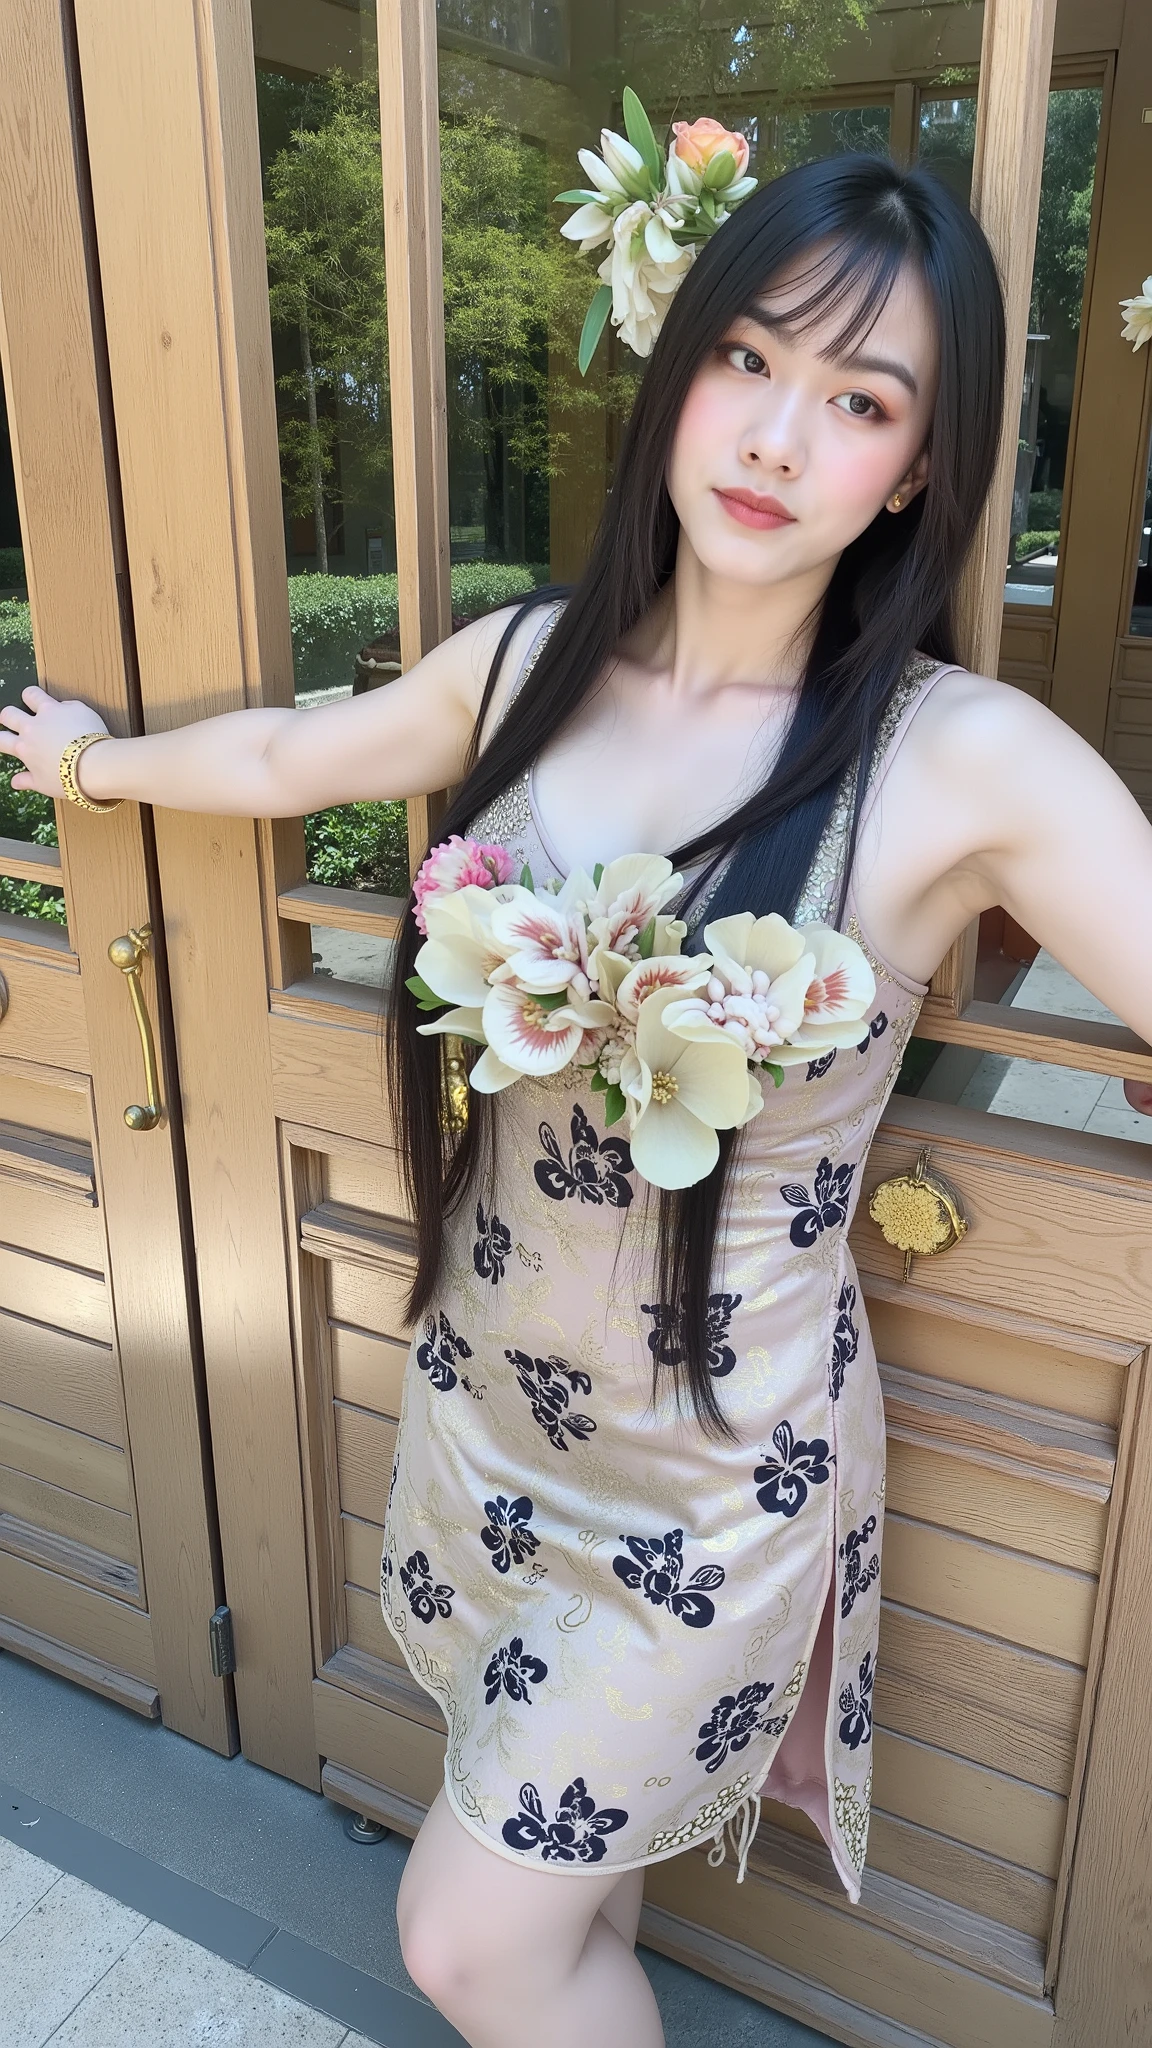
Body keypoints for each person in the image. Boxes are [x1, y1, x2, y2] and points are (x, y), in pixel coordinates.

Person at [3, 155, 1151, 2048]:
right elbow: (302, 753)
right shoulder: (531, 664)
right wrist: (104, 766)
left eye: (862, 404)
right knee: (552, 1893)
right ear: (681, 366)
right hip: (490, 1400)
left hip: (717, 1483)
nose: (782, 437)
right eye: (753, 361)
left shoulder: (965, 766)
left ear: (921, 471)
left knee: (471, 1943)